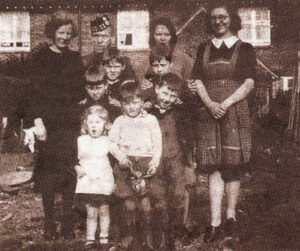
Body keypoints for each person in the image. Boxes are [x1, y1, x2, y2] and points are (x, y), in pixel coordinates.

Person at [189, 1, 256, 243]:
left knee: (231, 166)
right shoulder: (203, 48)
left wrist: (225, 104)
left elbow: (249, 83)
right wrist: (210, 104)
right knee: (213, 167)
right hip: (209, 113)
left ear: (232, 20)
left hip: (234, 110)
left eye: (223, 17)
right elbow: (196, 81)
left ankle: (230, 218)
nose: (218, 21)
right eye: (214, 17)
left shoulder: (245, 48)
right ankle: (214, 222)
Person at [26, 11, 85, 240]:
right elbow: (32, 93)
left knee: (70, 173)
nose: (65, 37)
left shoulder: (74, 57)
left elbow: (80, 91)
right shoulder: (40, 57)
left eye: (69, 33)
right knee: (48, 176)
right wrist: (37, 122)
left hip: (69, 124)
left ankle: (68, 224)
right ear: (52, 33)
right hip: (47, 125)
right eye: (61, 33)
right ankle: (50, 224)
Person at [109, 80, 163, 249]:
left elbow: (157, 145)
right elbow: (111, 143)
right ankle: (128, 240)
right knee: (129, 205)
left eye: (135, 102)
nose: (131, 107)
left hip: (146, 165)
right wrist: (121, 157)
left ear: (142, 101)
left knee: (147, 206)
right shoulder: (119, 122)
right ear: (121, 104)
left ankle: (148, 241)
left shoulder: (151, 120)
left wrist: (154, 164)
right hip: (126, 166)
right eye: (127, 103)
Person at [148, 73, 192, 249]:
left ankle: (176, 234)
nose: (167, 99)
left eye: (173, 96)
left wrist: (189, 162)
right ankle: (160, 236)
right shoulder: (148, 113)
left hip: (175, 160)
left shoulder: (180, 114)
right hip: (156, 161)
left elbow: (187, 138)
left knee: (178, 194)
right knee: (158, 196)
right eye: (165, 93)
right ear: (157, 89)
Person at [75, 105, 115, 249]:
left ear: (105, 125)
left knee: (104, 210)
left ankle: (104, 237)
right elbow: (75, 159)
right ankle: (90, 238)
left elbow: (114, 160)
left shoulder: (108, 140)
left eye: (97, 123)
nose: (94, 126)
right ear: (85, 124)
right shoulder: (81, 140)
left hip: (103, 180)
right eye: (91, 122)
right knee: (91, 211)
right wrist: (77, 167)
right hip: (88, 181)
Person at [147, 17, 193, 82]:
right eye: (158, 34)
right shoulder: (149, 59)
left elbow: (190, 84)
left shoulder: (183, 59)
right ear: (152, 36)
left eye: (167, 35)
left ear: (172, 37)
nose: (162, 38)